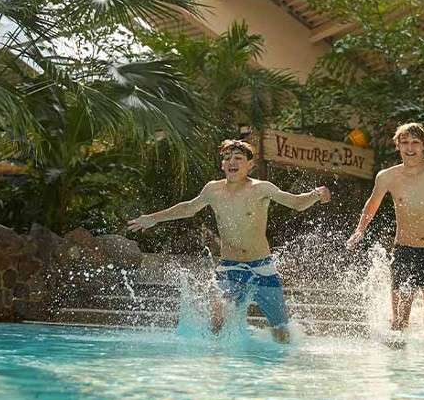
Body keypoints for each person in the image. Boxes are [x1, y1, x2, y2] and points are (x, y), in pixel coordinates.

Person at [127, 139, 330, 342]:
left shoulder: (261, 189)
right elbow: (188, 207)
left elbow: (295, 202)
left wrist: (315, 195)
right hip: (229, 267)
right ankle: (218, 363)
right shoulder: (213, 190)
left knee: (280, 329)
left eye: (238, 158)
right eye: (227, 158)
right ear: (222, 165)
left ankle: (283, 364)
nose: (232, 161)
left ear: (250, 165)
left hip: (262, 267)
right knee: (217, 316)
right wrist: (153, 218)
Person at [344, 123, 424, 341]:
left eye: (415, 143)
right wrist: (359, 231)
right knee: (399, 322)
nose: (410, 148)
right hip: (404, 252)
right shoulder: (387, 177)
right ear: (398, 147)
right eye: (405, 143)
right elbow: (371, 206)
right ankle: (399, 371)